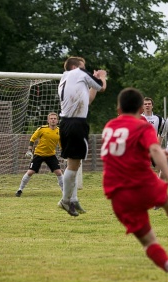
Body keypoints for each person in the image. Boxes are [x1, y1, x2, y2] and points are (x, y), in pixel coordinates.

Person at [101, 87, 168, 282]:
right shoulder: (142, 125)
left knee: (149, 242)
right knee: (167, 201)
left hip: (117, 192)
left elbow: (124, 149)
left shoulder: (109, 126)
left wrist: (157, 151)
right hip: (142, 182)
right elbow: (152, 150)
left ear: (118, 107)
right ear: (142, 108)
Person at [57, 56, 107, 216]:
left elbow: (89, 99)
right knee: (73, 165)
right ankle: (65, 200)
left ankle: (72, 199)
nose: (84, 69)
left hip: (65, 123)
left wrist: (93, 82)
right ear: (74, 67)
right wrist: (102, 77)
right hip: (76, 124)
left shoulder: (65, 78)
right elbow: (102, 87)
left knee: (74, 163)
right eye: (83, 66)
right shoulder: (78, 72)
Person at [15, 112, 63, 197]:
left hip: (51, 155)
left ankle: (65, 192)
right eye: (51, 118)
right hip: (39, 154)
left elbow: (61, 143)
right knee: (30, 172)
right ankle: (20, 190)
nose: (53, 120)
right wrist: (30, 150)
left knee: (59, 172)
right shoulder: (42, 129)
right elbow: (33, 138)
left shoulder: (59, 131)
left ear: (57, 121)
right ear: (48, 120)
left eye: (54, 119)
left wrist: (64, 152)